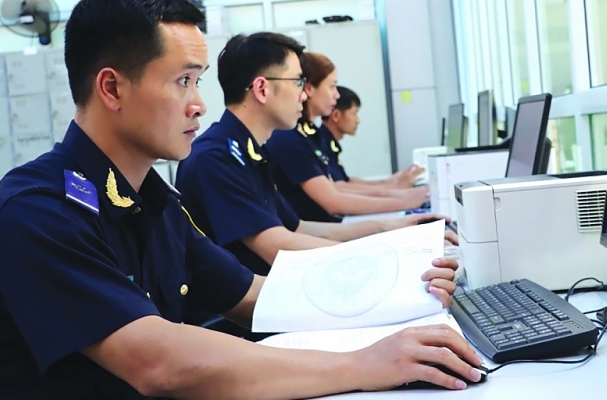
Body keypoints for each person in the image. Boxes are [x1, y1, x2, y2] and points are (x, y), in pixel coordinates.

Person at [0, 0, 484, 400]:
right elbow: (159, 364)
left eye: (198, 81)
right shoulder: (38, 213)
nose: (200, 104)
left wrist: (402, 287)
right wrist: (364, 365)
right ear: (111, 88)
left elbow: (255, 297)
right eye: (183, 81)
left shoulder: (149, 197)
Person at [175, 32, 446, 276]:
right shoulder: (216, 158)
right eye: (298, 82)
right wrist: (390, 253)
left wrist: (396, 229)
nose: (304, 95)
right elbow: (279, 246)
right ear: (262, 88)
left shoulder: (251, 152)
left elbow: (300, 229)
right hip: (246, 319)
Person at [267, 52, 429, 222]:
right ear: (309, 89)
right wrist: (403, 200)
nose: (336, 95)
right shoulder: (289, 139)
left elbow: (336, 187)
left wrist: (394, 191)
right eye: (331, 86)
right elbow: (334, 201)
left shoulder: (306, 134)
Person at [320, 85, 425, 188]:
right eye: (354, 113)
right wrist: (394, 187)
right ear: (336, 116)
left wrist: (389, 181)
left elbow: (346, 181)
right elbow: (340, 188)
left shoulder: (327, 143)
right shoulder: (321, 145)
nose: (358, 121)